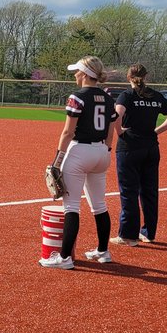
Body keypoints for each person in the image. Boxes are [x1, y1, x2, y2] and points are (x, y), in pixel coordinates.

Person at [40, 56, 118, 270]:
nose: (75, 74)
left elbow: (68, 131)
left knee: (71, 206)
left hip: (80, 151)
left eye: (77, 71)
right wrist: (106, 148)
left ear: (84, 74)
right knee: (99, 205)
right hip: (101, 152)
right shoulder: (107, 97)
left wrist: (58, 158)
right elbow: (111, 128)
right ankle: (103, 251)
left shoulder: (78, 96)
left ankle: (64, 258)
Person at [112, 64, 167, 245]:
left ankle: (128, 235)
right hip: (151, 147)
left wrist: (120, 133)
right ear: (146, 76)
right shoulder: (155, 95)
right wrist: (155, 131)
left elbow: (116, 117)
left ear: (128, 77)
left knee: (129, 192)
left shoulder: (126, 95)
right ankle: (148, 233)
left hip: (130, 147)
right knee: (149, 192)